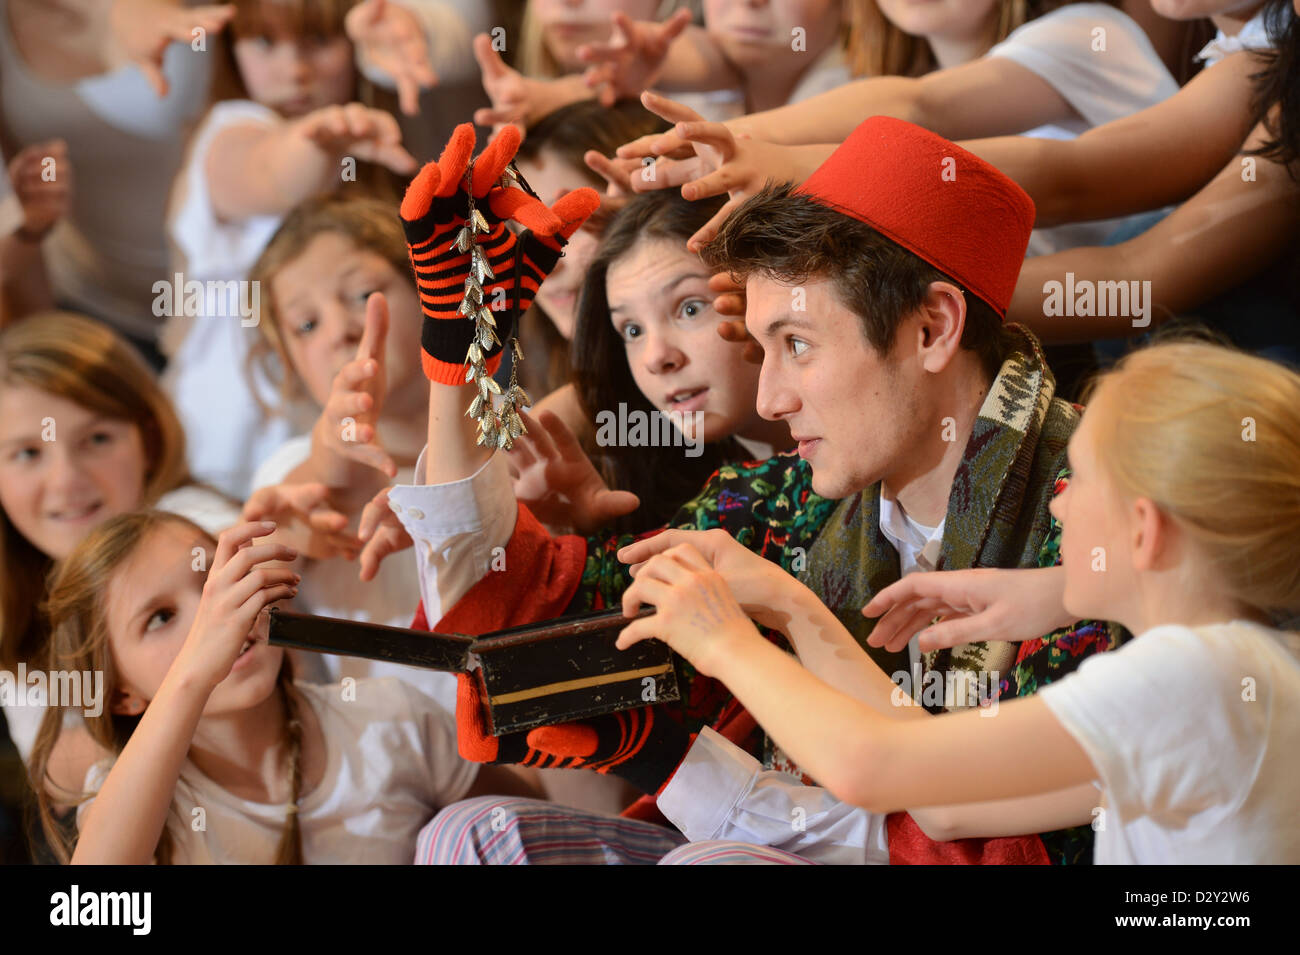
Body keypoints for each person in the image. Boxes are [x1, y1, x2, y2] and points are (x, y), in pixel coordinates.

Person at [371, 117, 1121, 864]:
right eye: (761, 349)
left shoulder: (1100, 507)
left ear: (931, 327)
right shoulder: (786, 499)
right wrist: (463, 354)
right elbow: (537, 633)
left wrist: (741, 680)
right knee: (473, 835)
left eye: (796, 344)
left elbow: (1022, 835)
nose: (768, 399)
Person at [618, 339, 1300, 863]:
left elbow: (871, 765)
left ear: (1145, 530)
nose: (1059, 500)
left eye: (1081, 477)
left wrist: (723, 641)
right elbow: (943, 808)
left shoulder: (1187, 677)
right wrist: (788, 602)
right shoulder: (1255, 666)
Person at [27, 512, 539, 863]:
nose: (216, 615)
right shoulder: (135, 798)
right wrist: (195, 671)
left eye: (215, 581)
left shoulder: (391, 719)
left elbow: (522, 835)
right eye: (160, 617)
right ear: (122, 695)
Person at [0, 312, 241, 768]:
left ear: (148, 441)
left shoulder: (191, 519)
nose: (66, 481)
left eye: (97, 439)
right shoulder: (17, 599)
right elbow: (53, 768)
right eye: (28, 453)